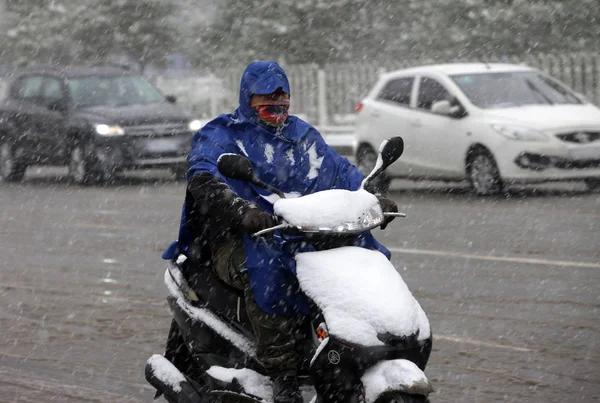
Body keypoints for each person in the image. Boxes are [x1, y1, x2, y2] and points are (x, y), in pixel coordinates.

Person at [164, 61, 398, 403]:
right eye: (267, 100)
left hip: (305, 234)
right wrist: (242, 210)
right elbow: (204, 176)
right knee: (272, 269)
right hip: (242, 239)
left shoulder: (302, 137)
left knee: (366, 253)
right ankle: (284, 375)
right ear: (248, 97)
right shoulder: (223, 134)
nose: (277, 106)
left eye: (283, 98)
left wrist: (374, 198)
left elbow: (343, 173)